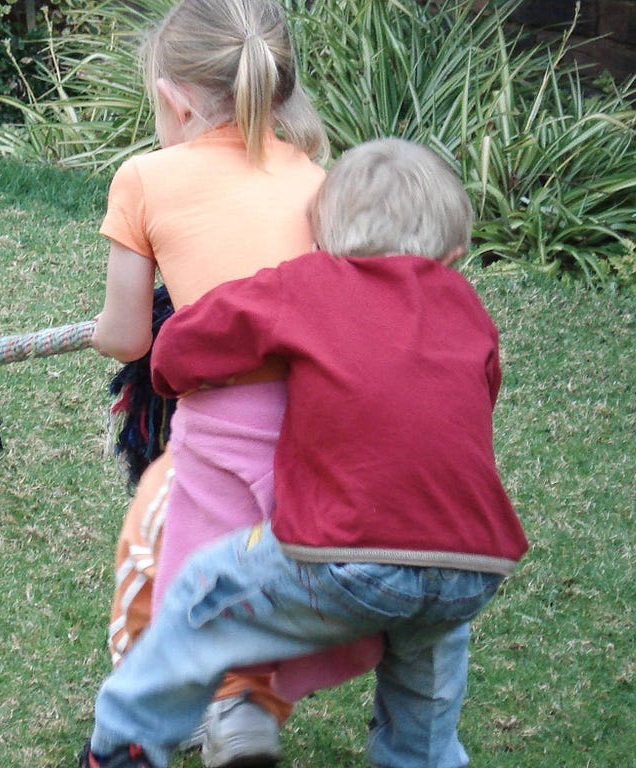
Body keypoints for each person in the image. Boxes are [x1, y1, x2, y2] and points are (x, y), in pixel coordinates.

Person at [79, 137, 530, 768]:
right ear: (454, 254)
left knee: (201, 590)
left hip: (348, 552)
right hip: (471, 564)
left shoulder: (311, 282)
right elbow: (484, 391)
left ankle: (128, 739)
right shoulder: (470, 309)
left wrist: (170, 371)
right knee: (426, 671)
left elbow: (189, 342)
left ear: (322, 235)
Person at [90, 1, 380, 764]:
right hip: (325, 423)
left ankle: (153, 708)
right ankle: (247, 699)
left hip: (225, 420)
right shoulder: (317, 177)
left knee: (158, 539)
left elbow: (127, 338)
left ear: (174, 97)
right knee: (263, 556)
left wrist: (100, 331)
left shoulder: (145, 177)